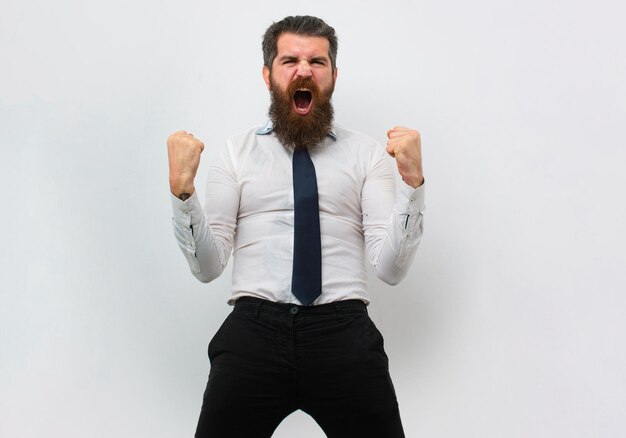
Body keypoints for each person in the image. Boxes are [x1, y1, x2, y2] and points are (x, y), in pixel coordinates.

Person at [167, 15, 425, 438]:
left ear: (334, 76)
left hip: (343, 332)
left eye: (317, 62)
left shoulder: (367, 155)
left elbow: (390, 269)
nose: (304, 70)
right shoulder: (236, 153)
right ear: (268, 76)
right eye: (290, 60)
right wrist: (182, 193)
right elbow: (208, 267)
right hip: (254, 332)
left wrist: (413, 185)